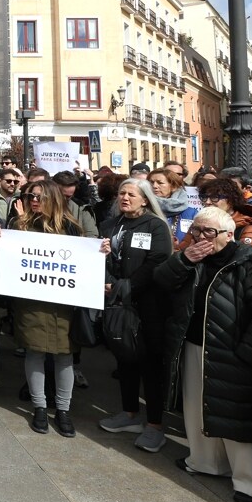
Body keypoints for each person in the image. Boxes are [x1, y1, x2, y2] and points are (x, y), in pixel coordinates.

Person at [156, 206, 252, 502]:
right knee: (196, 408)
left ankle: (250, 486)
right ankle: (204, 462)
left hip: (234, 355)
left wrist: (248, 354)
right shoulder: (193, 258)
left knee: (240, 420)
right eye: (195, 229)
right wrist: (184, 259)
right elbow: (162, 281)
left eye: (207, 231)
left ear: (228, 234)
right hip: (195, 345)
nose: (198, 236)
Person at [97, 178, 172, 452]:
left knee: (150, 367)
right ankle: (129, 414)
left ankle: (154, 425)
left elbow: (157, 261)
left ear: (145, 199)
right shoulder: (111, 225)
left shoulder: (155, 226)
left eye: (131, 194)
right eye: (121, 193)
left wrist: (123, 287)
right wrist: (105, 266)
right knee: (125, 361)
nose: (125, 198)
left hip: (147, 307)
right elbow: (100, 257)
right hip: (118, 305)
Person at [4, 180, 82, 437]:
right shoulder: (19, 225)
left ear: (52, 199)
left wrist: (99, 252)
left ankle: (63, 409)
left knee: (64, 355)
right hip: (31, 302)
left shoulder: (69, 227)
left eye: (39, 197)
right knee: (34, 352)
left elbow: (82, 262)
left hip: (62, 304)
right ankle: (39, 407)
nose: (33, 201)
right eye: (30, 196)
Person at [197, 177, 252, 249]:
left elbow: (245, 257)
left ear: (231, 200)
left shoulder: (248, 230)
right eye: (204, 197)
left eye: (215, 197)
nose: (207, 202)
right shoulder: (198, 224)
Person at [148, 168, 199, 246]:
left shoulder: (192, 213)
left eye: (160, 183)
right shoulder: (142, 210)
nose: (154, 186)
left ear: (173, 186)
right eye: (151, 182)